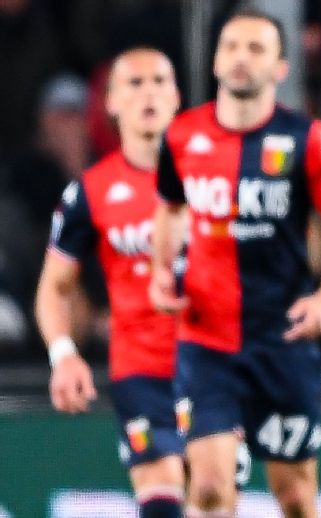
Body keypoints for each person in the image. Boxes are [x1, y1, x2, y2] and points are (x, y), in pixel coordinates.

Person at [148, 10, 321, 517]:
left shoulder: (309, 141)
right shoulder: (181, 137)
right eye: (231, 47)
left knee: (293, 496)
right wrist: (162, 272)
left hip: (282, 339)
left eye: (255, 49)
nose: (241, 59)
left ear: (281, 67)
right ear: (216, 60)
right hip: (207, 340)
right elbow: (171, 209)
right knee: (207, 487)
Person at [34, 47, 188, 518]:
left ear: (177, 96)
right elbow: (53, 287)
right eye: (135, 84)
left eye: (159, 81)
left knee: (211, 494)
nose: (149, 93)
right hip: (139, 368)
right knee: (160, 491)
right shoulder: (90, 191)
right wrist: (63, 355)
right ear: (111, 102)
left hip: (212, 364)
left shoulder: (215, 180)